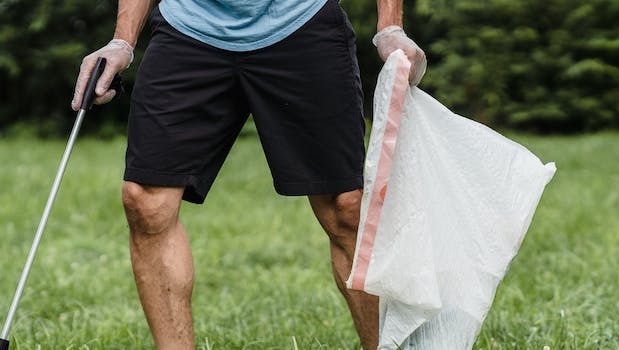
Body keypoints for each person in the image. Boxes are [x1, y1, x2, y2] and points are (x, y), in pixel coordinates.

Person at [70, 0, 426, 349]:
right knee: (145, 200)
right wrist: (122, 41)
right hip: (189, 28)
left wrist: (389, 27)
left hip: (301, 22)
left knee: (345, 207)